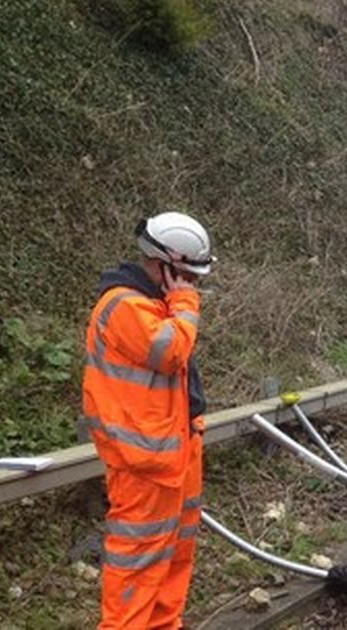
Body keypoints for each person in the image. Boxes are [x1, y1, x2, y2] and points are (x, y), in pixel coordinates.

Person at [82, 211, 215, 629]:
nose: (192, 286)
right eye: (186, 276)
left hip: (175, 452)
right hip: (144, 465)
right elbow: (170, 350)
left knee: (175, 558)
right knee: (137, 567)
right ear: (163, 265)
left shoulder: (158, 304)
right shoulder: (125, 306)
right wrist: (186, 304)